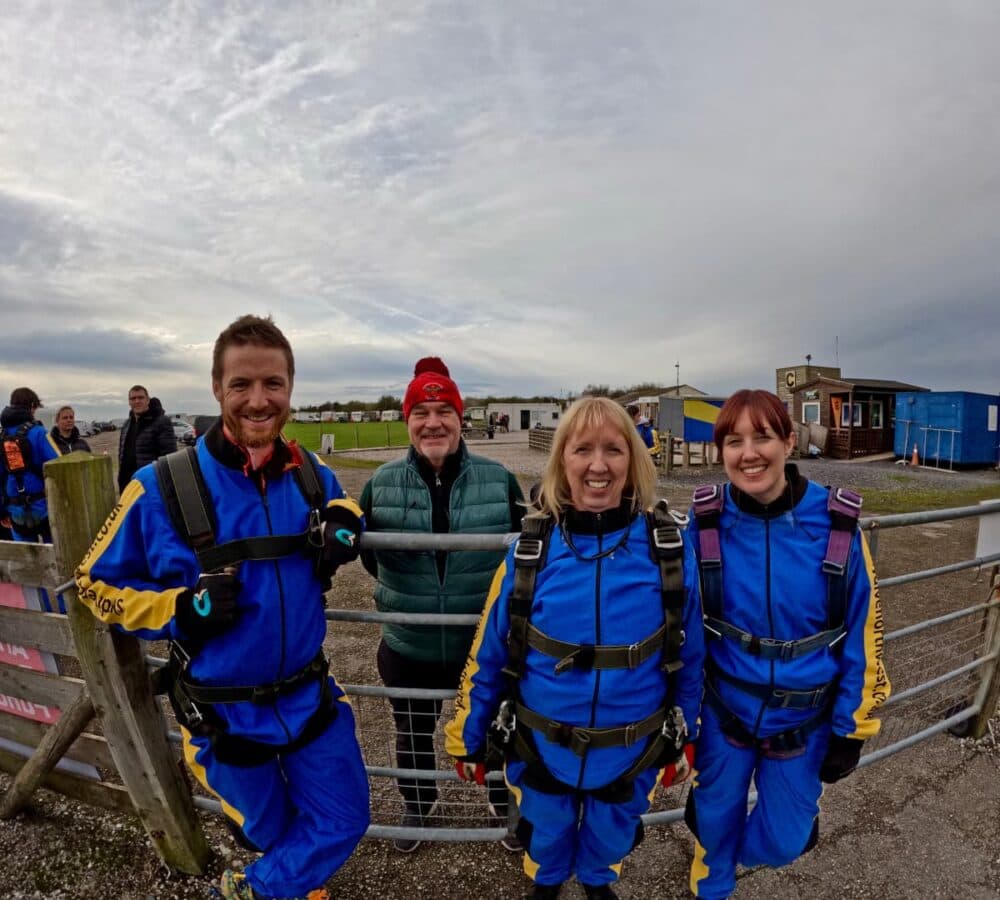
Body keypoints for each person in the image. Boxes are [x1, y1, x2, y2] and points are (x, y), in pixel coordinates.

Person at [76, 315, 370, 900]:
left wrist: (346, 521)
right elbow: (90, 584)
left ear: (290, 388)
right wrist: (182, 609)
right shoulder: (159, 487)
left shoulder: (310, 472)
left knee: (343, 820)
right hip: (223, 718)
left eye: (274, 384)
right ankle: (290, 887)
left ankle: (249, 892)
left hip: (311, 700)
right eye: (242, 385)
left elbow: (346, 503)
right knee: (273, 834)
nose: (259, 401)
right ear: (217, 389)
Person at [444, 396, 705, 900]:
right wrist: (467, 737)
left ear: (634, 458)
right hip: (540, 749)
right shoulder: (531, 552)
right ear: (562, 459)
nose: (598, 465)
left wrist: (687, 734)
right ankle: (545, 883)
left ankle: (596, 880)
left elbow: (690, 657)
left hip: (633, 751)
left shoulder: (667, 551)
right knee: (542, 837)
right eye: (582, 449)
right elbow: (488, 655)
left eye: (613, 449)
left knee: (610, 839)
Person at [684, 389, 890, 900]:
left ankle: (737, 845)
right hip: (723, 715)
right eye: (733, 441)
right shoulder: (703, 524)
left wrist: (853, 728)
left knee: (781, 843)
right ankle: (712, 884)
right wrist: (679, 717)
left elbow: (865, 630)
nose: (748, 453)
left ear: (790, 441)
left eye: (763, 437)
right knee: (710, 832)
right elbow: (679, 627)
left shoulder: (838, 525)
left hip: (804, 721)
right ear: (720, 452)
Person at [359, 356, 525, 853]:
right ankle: (418, 803)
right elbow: (368, 555)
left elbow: (525, 554)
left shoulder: (498, 480)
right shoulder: (380, 483)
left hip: (485, 645)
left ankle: (504, 803)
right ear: (407, 420)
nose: (433, 422)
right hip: (410, 643)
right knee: (411, 732)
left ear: (461, 417)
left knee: (498, 726)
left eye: (443, 410)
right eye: (421, 412)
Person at [2, 387, 60, 544]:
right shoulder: (39, 432)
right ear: (32, 406)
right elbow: (57, 466)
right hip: (43, 508)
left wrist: (1, 512)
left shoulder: (3, 436)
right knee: (55, 555)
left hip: (15, 510)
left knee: (26, 561)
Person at [117, 385, 176, 491]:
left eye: (140, 397)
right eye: (133, 398)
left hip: (150, 486)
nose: (137, 401)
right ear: (129, 402)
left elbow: (169, 458)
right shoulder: (126, 425)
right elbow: (122, 456)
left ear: (148, 400)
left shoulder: (161, 422)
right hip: (128, 485)